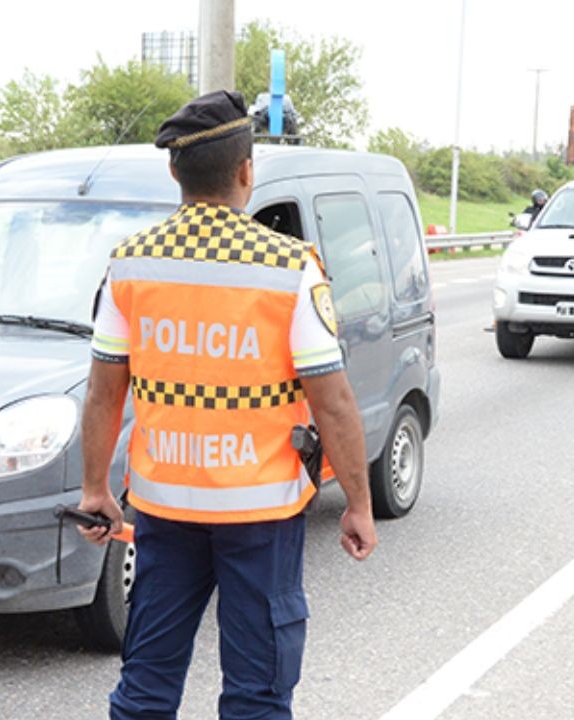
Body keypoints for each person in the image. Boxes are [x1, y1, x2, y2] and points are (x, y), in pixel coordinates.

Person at [77, 89, 377, 720]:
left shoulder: (131, 265)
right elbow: (335, 401)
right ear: (246, 172)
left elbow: (106, 389)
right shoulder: (289, 266)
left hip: (163, 509)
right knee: (257, 695)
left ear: (174, 173)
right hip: (260, 516)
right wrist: (357, 501)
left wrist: (93, 489)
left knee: (146, 689)